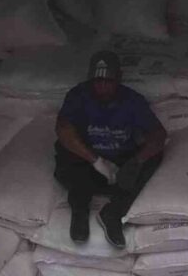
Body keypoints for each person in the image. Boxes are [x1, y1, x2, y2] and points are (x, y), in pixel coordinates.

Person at [54, 50, 167, 249]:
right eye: (98, 81)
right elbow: (63, 129)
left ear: (119, 79)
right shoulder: (79, 95)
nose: (103, 87)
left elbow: (158, 135)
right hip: (88, 164)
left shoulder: (132, 100)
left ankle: (113, 213)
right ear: (90, 80)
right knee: (66, 150)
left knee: (155, 156)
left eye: (109, 81)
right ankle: (80, 210)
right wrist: (96, 160)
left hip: (120, 167)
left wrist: (136, 162)